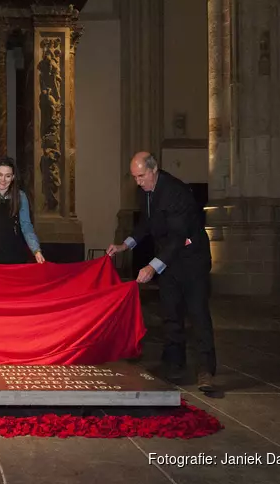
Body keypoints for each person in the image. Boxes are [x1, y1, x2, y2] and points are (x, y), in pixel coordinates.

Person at [107, 152, 217, 392]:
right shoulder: (145, 191)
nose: (138, 181)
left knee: (197, 313)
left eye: (141, 176)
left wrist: (152, 266)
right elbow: (146, 224)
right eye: (135, 177)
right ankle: (174, 365)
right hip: (169, 259)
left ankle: (206, 370)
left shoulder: (176, 192)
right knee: (170, 313)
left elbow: (178, 237)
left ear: (154, 170)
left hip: (191, 259)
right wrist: (125, 245)